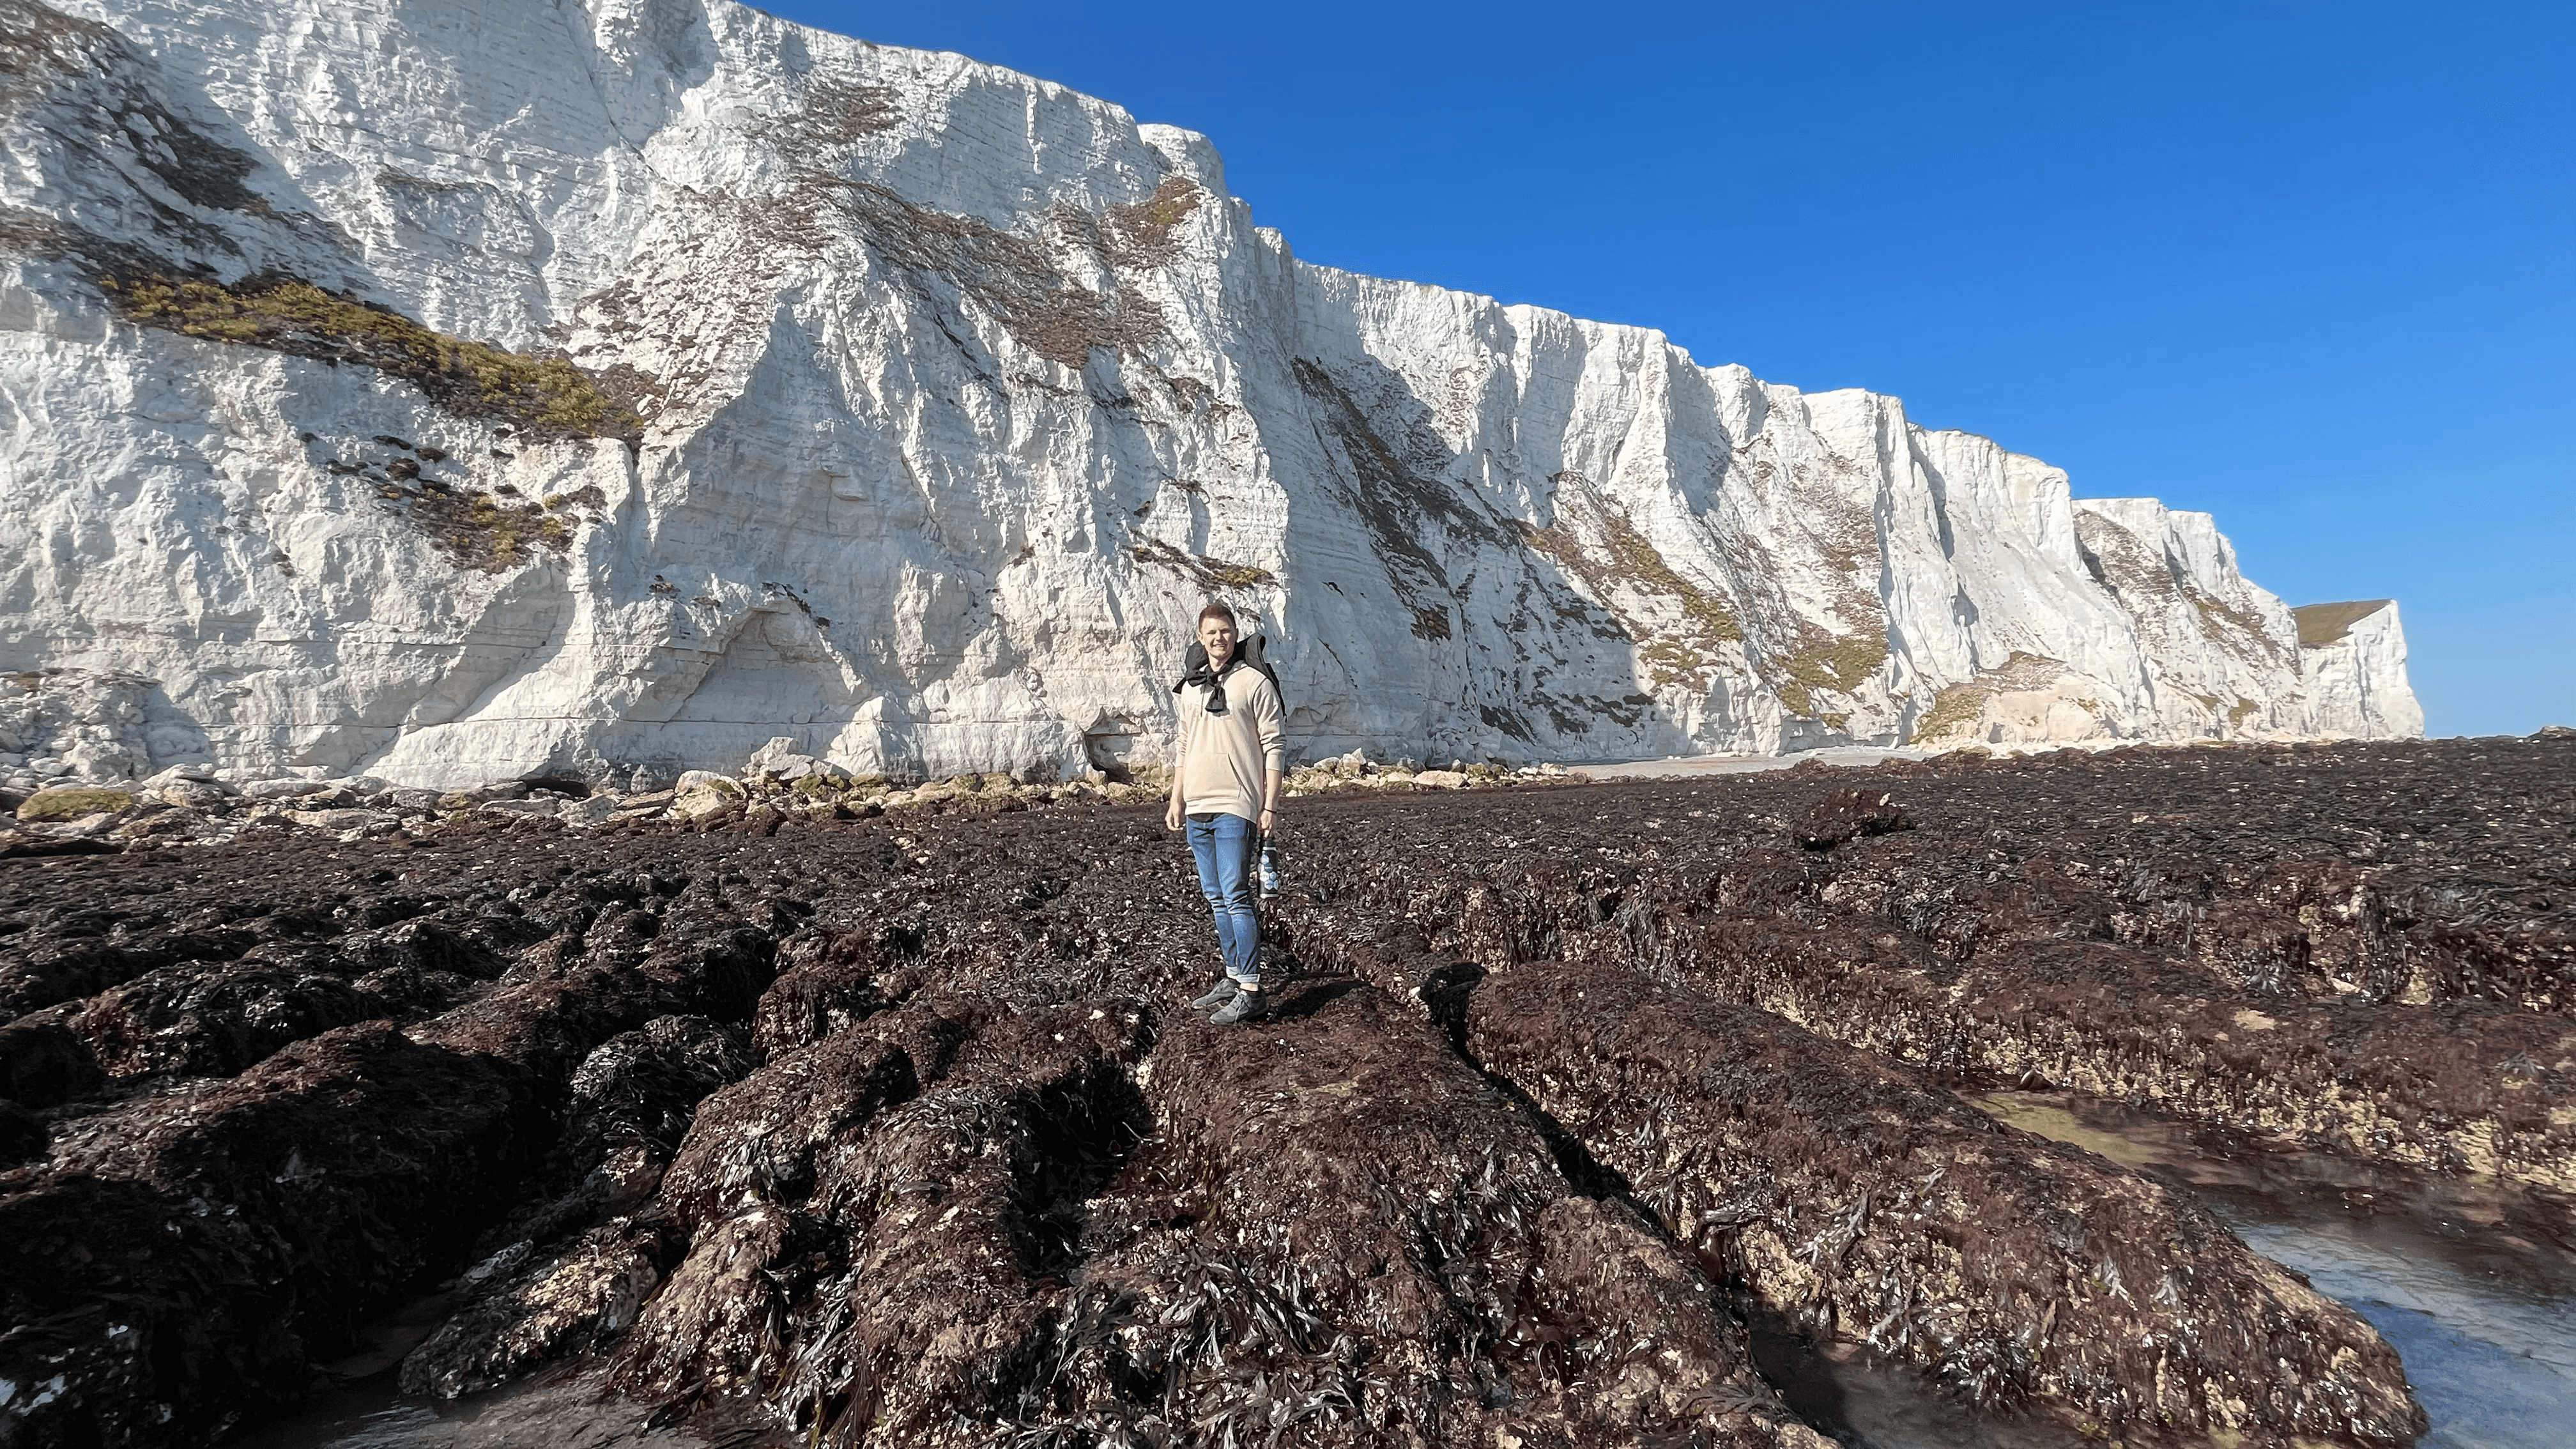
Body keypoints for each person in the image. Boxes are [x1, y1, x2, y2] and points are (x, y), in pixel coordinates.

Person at [1164, 601, 1284, 1025]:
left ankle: (1252, 991)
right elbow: (1182, 746)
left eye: (1226, 631)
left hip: (1237, 802)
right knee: (1215, 896)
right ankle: (1234, 977)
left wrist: (1269, 805)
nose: (1219, 638)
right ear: (1201, 638)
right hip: (1197, 805)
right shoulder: (1191, 688)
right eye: (1211, 632)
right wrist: (1175, 798)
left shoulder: (1255, 682)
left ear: (1236, 634)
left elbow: (1274, 747)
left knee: (1235, 893)